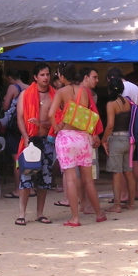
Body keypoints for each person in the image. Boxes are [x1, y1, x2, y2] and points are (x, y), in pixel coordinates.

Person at [47, 64, 106, 226]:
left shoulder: (61, 92)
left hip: (66, 137)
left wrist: (57, 127)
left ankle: (75, 218)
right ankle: (99, 214)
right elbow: (89, 113)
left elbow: (51, 113)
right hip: (83, 137)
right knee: (88, 180)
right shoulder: (84, 92)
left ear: (62, 76)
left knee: (71, 179)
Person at [15, 62, 55, 225]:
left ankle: (40, 213)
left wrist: (41, 123)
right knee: (26, 177)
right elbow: (19, 117)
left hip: (47, 141)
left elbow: (57, 121)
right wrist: (25, 136)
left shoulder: (54, 95)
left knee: (45, 179)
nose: (46, 78)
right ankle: (22, 213)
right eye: (42, 75)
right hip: (30, 140)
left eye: (47, 74)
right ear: (35, 77)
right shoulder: (25, 94)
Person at [105, 66, 138, 199]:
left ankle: (122, 196)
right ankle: (135, 195)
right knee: (132, 165)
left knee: (118, 171)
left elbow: (111, 124)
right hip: (132, 134)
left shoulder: (113, 102)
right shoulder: (135, 91)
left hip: (118, 136)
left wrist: (104, 139)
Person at [102, 77, 136, 212]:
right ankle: (131, 203)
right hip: (129, 139)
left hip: (116, 140)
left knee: (116, 173)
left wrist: (104, 139)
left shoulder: (111, 104)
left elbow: (110, 125)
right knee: (129, 172)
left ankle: (117, 205)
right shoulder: (128, 101)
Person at [0, 68, 28, 198]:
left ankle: (18, 189)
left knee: (16, 158)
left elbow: (6, 107)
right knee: (27, 157)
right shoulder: (29, 88)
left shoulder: (13, 87)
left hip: (15, 126)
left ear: (10, 78)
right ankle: (30, 188)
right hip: (27, 125)